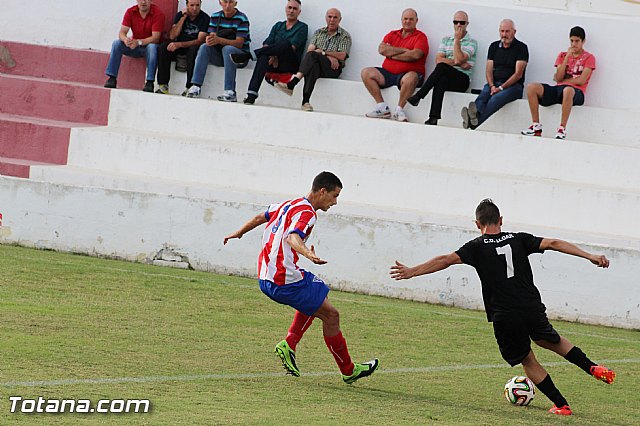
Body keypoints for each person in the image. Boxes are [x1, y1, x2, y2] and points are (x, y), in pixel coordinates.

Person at [390, 199, 616, 416]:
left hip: (505, 314)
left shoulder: (476, 247)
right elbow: (553, 243)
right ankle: (592, 367)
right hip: (531, 306)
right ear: (501, 219)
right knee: (549, 340)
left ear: (478, 224)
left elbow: (445, 260)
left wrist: (412, 272)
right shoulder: (518, 239)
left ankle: (562, 405)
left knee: (527, 358)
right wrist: (589, 256)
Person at [223, 171, 379, 384]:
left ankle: (290, 344)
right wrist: (308, 253)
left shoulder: (289, 204)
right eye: (334, 196)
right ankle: (348, 370)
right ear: (322, 191)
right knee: (331, 316)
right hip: (282, 280)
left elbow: (262, 216)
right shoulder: (308, 213)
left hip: (267, 276)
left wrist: (239, 232)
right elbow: (292, 237)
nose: (335, 202)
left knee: (319, 291)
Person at [521, 26, 595, 140]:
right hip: (559, 89)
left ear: (583, 41)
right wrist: (567, 58)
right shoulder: (562, 55)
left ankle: (562, 128)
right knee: (532, 87)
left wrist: (565, 81)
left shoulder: (589, 57)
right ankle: (536, 125)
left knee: (568, 90)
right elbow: (559, 77)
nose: (574, 44)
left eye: (577, 41)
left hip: (576, 92)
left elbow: (581, 80)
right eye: (572, 41)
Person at [273, 8, 352, 112]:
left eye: (335, 17)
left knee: (313, 56)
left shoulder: (344, 36)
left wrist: (323, 52)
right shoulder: (319, 32)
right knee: (313, 65)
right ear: (326, 18)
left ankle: (293, 83)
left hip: (333, 69)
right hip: (318, 64)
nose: (332, 20)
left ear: (339, 19)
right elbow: (310, 51)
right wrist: (327, 55)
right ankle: (305, 102)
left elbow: (342, 55)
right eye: (329, 17)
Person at [407, 11, 477, 126]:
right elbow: (438, 59)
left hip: (462, 79)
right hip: (447, 75)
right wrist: (458, 63)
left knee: (442, 67)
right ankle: (433, 118)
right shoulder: (445, 39)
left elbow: (459, 58)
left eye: (462, 22)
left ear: (467, 24)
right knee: (441, 79)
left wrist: (457, 41)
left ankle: (419, 96)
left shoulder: (472, 42)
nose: (458, 25)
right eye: (456, 22)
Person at [360, 8, 429, 122]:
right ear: (401, 20)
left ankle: (399, 110)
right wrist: (405, 50)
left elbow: (415, 55)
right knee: (366, 72)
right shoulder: (392, 34)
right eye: (405, 19)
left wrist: (391, 54)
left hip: (407, 76)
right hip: (388, 74)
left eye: (411, 19)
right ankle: (382, 107)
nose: (407, 21)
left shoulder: (421, 37)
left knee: (412, 77)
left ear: (416, 21)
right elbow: (382, 49)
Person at [461, 19, 528, 130]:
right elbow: (488, 70)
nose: (504, 34)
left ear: (514, 32)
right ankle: (474, 117)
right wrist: (492, 86)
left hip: (514, 87)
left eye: (507, 31)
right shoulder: (494, 46)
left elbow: (518, 74)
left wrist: (501, 88)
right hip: (495, 83)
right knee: (484, 93)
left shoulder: (521, 48)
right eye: (502, 31)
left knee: (495, 99)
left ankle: (474, 122)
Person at [240, 0, 308, 105]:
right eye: (289, 8)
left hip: (289, 64)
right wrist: (272, 55)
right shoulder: (278, 25)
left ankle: (251, 55)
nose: (291, 11)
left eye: (295, 9)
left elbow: (292, 47)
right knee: (263, 58)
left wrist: (275, 56)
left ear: (299, 12)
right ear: (286, 9)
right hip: (273, 62)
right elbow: (267, 43)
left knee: (285, 44)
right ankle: (251, 95)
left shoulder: (302, 27)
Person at [185, 0, 251, 101]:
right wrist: (209, 39)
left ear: (235, 3)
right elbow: (211, 37)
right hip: (221, 56)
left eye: (231, 2)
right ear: (220, 3)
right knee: (204, 47)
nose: (228, 5)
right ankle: (195, 86)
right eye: (225, 2)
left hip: (239, 57)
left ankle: (230, 91)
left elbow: (239, 43)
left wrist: (219, 40)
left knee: (228, 49)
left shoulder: (242, 18)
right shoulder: (215, 17)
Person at [104, 0, 165, 92]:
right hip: (135, 45)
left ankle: (149, 82)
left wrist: (139, 42)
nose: (143, 2)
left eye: (146, 0)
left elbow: (156, 38)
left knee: (152, 47)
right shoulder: (130, 11)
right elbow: (122, 33)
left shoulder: (158, 13)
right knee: (117, 44)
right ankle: (112, 78)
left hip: (147, 47)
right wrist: (126, 40)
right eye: (141, 0)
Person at [155, 0, 209, 95]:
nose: (195, 8)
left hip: (192, 46)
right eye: (192, 5)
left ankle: (189, 86)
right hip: (179, 45)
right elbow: (172, 36)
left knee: (194, 51)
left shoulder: (205, 18)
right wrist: (183, 18)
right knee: (163, 47)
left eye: (197, 5)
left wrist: (179, 44)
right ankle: (163, 85)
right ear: (187, 5)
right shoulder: (180, 15)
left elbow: (199, 40)